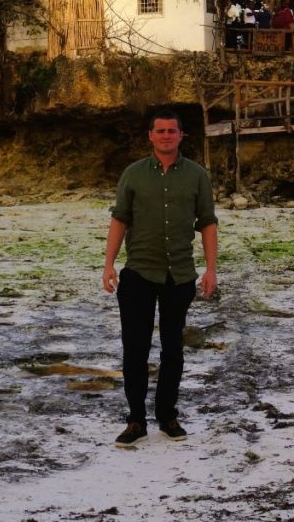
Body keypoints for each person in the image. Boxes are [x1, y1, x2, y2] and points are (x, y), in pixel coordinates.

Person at [102, 110, 218, 447]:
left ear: (182, 136)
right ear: (150, 136)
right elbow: (119, 219)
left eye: (172, 131)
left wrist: (210, 269)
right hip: (138, 273)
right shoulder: (133, 175)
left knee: (173, 349)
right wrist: (108, 265)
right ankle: (136, 420)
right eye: (160, 131)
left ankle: (167, 415)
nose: (166, 136)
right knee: (135, 349)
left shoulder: (197, 176)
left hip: (180, 275)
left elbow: (207, 222)